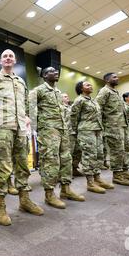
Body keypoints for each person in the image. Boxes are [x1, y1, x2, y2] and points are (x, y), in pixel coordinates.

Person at [0, 49, 44, 226]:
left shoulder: (20, 81)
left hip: (21, 129)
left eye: (10, 56)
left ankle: (24, 201)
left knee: (23, 164)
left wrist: (27, 116)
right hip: (3, 128)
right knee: (3, 167)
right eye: (4, 56)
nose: (8, 58)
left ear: (14, 61)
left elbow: (25, 102)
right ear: (0, 61)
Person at [29, 68, 85, 208]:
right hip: (48, 130)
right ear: (45, 75)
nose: (56, 72)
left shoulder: (58, 92)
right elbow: (28, 107)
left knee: (66, 159)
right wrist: (39, 127)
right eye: (52, 71)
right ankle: (49, 194)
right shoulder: (39, 90)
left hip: (62, 129)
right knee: (50, 161)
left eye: (56, 71)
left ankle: (66, 190)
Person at [71, 81, 114, 194]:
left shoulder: (93, 100)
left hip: (97, 130)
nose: (91, 86)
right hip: (86, 131)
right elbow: (73, 117)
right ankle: (90, 183)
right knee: (89, 156)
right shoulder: (79, 100)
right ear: (81, 88)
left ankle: (97, 178)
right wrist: (75, 132)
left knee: (98, 154)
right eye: (87, 85)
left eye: (91, 84)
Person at [95, 73, 129, 186]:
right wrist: (102, 126)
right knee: (117, 151)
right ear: (106, 79)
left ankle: (124, 171)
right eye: (114, 77)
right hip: (112, 126)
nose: (117, 78)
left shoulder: (115, 92)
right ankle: (117, 176)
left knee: (124, 150)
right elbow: (98, 108)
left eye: (117, 76)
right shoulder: (104, 91)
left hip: (121, 125)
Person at [61, 93, 83, 178]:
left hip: (76, 131)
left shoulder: (71, 107)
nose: (67, 97)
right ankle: (66, 172)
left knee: (77, 151)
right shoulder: (61, 108)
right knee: (68, 153)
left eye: (67, 96)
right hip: (68, 132)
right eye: (65, 97)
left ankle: (74, 168)